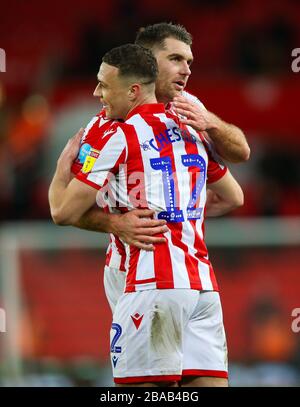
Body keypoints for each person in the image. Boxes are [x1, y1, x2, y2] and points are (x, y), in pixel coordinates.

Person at [49, 43, 244, 386]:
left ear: (135, 89)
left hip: (149, 281)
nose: (97, 93)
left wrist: (62, 168)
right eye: (176, 59)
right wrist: (183, 210)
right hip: (201, 284)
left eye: (104, 86)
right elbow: (234, 196)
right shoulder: (191, 125)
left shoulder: (115, 132)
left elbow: (62, 211)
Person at [69, 23, 250, 312]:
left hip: (188, 272)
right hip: (129, 266)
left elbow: (241, 155)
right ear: (148, 62)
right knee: (144, 357)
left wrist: (212, 123)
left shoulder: (189, 108)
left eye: (189, 61)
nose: (187, 70)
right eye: (176, 59)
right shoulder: (110, 121)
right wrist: (115, 223)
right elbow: (67, 208)